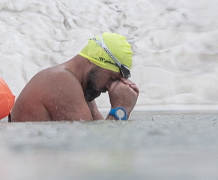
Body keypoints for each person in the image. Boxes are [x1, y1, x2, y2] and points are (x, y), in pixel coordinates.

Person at [9, 33, 140, 122]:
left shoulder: (81, 90)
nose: (109, 88)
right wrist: (121, 109)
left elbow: (102, 137)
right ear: (96, 61)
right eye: (112, 78)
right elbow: (93, 149)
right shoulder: (61, 81)